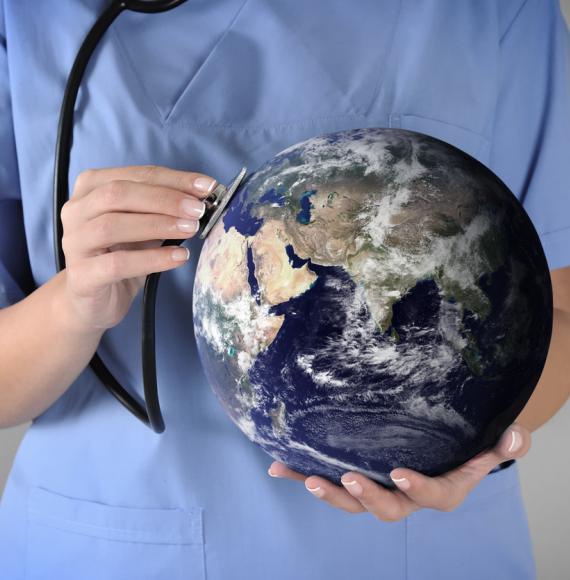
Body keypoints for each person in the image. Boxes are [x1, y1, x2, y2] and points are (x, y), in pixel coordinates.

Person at [0, 0, 569, 578]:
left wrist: (476, 445)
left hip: (423, 548)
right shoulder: (29, 16)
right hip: (119, 546)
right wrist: (75, 305)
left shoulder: (496, 11)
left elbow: (556, 316)